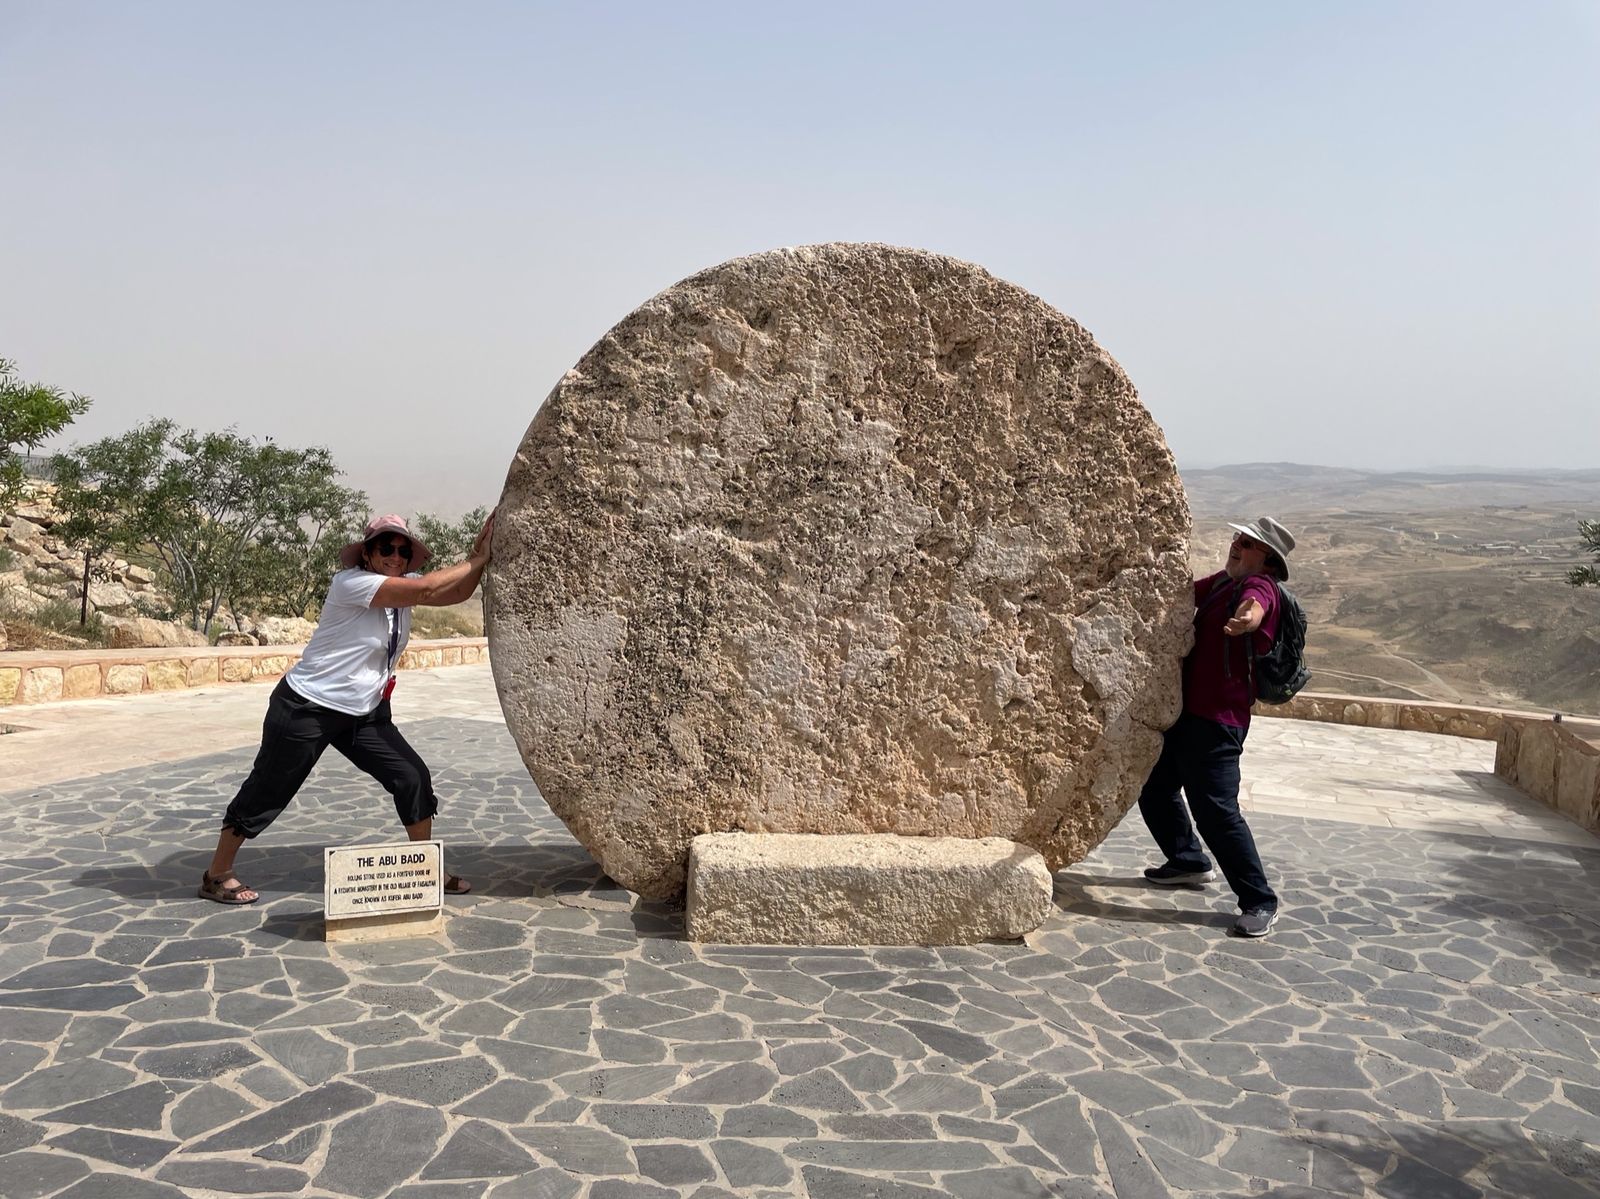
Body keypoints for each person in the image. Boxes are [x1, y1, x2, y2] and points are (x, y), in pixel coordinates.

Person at [198, 511, 494, 905]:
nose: (395, 556)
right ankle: (217, 874)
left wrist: (482, 557)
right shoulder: (352, 583)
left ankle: (425, 868)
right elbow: (425, 589)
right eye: (386, 548)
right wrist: (476, 558)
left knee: (412, 777)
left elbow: (456, 594)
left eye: (403, 551)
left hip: (364, 712)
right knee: (268, 789)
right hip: (308, 706)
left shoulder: (401, 590)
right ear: (367, 554)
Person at [1137, 515, 1295, 937]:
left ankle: (1260, 900)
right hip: (1187, 715)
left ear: (1267, 558)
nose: (1236, 544)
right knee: (1155, 786)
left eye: (1247, 542)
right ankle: (1187, 859)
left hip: (1218, 723)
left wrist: (1248, 619)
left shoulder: (1258, 585)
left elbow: (1256, 607)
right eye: (1237, 537)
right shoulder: (1225, 582)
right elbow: (1184, 594)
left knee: (1217, 813)